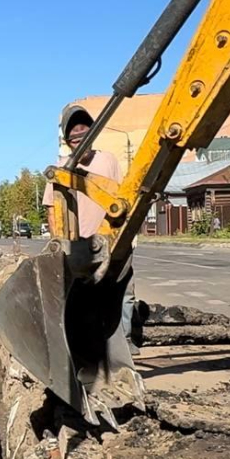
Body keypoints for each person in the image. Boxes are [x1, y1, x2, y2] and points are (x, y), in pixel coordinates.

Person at [43, 104, 139, 354]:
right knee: (81, 296)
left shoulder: (108, 161)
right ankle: (83, 344)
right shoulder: (61, 168)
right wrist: (58, 242)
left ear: (93, 132)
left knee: (123, 292)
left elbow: (123, 197)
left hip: (115, 240)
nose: (79, 135)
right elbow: (52, 208)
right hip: (80, 244)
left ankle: (124, 343)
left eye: (84, 129)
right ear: (67, 140)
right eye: (73, 132)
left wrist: (128, 234)